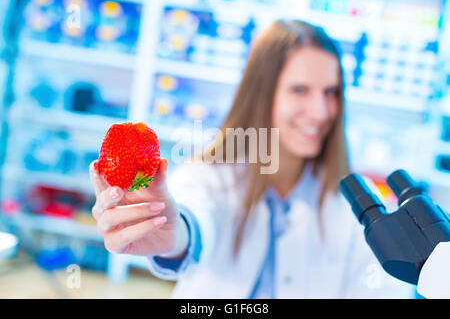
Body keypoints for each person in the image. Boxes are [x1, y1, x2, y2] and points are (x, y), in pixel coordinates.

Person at [89, 20, 413, 298]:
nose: (321, 111)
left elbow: (382, 287)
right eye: (299, 90)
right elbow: (193, 220)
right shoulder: (209, 176)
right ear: (262, 93)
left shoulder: (353, 204)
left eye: (330, 92)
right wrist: (170, 233)